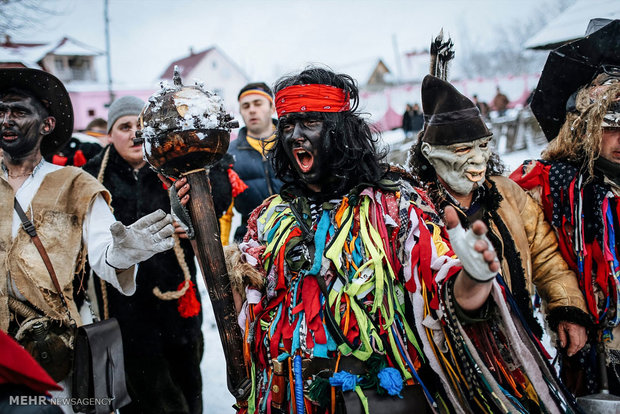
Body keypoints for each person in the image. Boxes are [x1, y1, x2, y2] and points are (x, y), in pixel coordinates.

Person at [175, 67, 579, 413]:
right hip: (290, 397)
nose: (296, 135)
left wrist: (473, 278)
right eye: (288, 125)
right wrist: (199, 228)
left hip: (377, 397)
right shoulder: (268, 216)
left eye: (310, 122)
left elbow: (440, 288)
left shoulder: (395, 204)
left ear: (340, 131)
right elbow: (242, 301)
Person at [0, 69, 174, 409]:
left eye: (19, 112)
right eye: (1, 111)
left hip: (51, 350)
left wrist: (123, 253)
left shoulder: (75, 184)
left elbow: (103, 252)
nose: (6, 119)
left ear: (46, 125)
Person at [409, 74, 589, 355]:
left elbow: (545, 255)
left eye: (483, 145)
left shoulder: (506, 192)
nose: (479, 158)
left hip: (522, 341)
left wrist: (566, 307)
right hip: (456, 355)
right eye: (463, 149)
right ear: (430, 153)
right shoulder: (416, 210)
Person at [82, 95, 232, 414]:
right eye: (124, 126)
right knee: (148, 396)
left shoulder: (173, 164)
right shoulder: (90, 177)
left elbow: (213, 201)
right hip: (125, 308)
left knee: (188, 384)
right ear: (110, 134)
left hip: (178, 301)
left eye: (140, 125)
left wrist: (188, 215)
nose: (134, 132)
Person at [510, 19, 620, 397]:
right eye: (610, 124)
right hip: (595, 354)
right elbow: (528, 243)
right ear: (584, 125)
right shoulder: (547, 183)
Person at [224, 82, 282, 242]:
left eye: (258, 103)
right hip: (251, 242)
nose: (252, 110)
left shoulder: (291, 144)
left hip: (296, 236)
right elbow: (224, 213)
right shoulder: (229, 154)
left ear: (272, 108)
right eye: (246, 106)